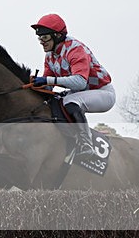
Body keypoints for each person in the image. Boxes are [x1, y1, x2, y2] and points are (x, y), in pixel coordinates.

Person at [30, 13, 115, 158]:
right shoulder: (50, 56)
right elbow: (48, 87)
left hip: (102, 92)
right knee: (54, 101)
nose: (41, 42)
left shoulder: (75, 49)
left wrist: (47, 80)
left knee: (70, 101)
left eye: (44, 37)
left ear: (57, 35)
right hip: (80, 92)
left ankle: (86, 144)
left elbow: (80, 82)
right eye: (39, 38)